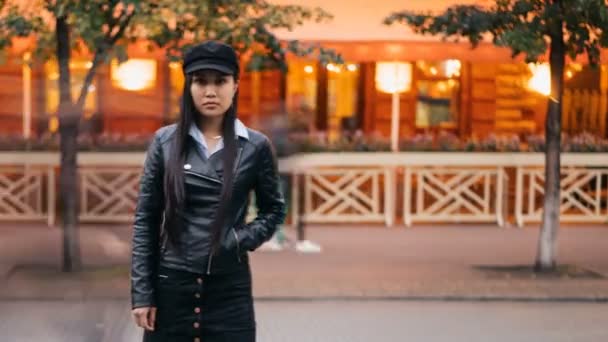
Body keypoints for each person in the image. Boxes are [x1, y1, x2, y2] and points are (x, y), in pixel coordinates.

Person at [130, 41, 286, 342]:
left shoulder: (255, 146)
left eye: (220, 81)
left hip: (229, 289)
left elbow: (274, 210)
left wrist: (239, 239)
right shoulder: (165, 142)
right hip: (171, 285)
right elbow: (146, 219)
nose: (210, 91)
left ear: (236, 85)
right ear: (189, 86)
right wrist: (142, 293)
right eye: (201, 81)